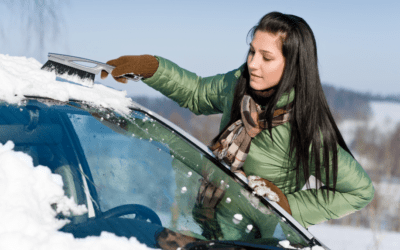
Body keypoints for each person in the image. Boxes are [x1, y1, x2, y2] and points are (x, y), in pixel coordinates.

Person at [101, 11, 374, 230]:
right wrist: (151, 67)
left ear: (292, 66)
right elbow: (197, 93)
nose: (253, 64)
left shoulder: (305, 128)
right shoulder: (239, 84)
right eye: (252, 51)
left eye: (266, 57)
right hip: (205, 226)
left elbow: (359, 191)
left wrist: (287, 207)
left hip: (259, 241)